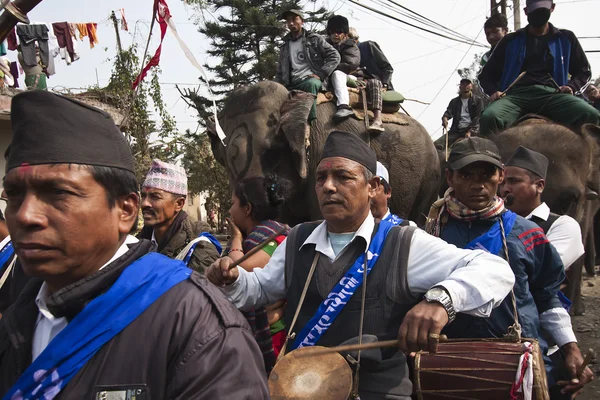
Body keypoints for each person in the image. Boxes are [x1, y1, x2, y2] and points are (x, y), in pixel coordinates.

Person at [0, 90, 269, 399]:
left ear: (124, 211)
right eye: (15, 195)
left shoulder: (197, 326)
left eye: (58, 193)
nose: (25, 215)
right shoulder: (20, 314)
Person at [206, 130, 515, 399]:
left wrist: (441, 300)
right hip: (302, 389)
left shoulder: (403, 243)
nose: (328, 186)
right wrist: (232, 281)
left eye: (343, 177)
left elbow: (495, 270)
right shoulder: (298, 238)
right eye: (321, 178)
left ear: (372, 186)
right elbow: (259, 289)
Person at [425, 137, 593, 399]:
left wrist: (570, 348)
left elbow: (547, 297)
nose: (478, 184)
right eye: (466, 175)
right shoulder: (431, 233)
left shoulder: (527, 234)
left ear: (500, 175)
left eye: (487, 174)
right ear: (449, 177)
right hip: (449, 362)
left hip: (517, 364)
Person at [478, 0, 600, 136]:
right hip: (516, 96)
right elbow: (485, 76)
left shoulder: (566, 38)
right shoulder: (510, 40)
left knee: (591, 115)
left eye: (542, 10)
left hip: (553, 94)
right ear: (526, 12)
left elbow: (584, 71)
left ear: (552, 8)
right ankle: (487, 156)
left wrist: (572, 87)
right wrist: (493, 92)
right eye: (534, 11)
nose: (538, 14)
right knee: (489, 117)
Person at [224, 173, 291, 373]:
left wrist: (236, 237)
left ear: (247, 209)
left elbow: (234, 272)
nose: (229, 209)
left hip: (272, 341)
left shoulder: (276, 241)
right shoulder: (257, 239)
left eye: (233, 203)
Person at [501, 146, 584, 271]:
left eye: (514, 181)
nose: (505, 189)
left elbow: (544, 271)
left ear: (539, 186)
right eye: (502, 183)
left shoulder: (562, 225)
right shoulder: (495, 222)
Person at [138, 160, 220, 274]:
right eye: (143, 196)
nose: (144, 203)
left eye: (155, 197)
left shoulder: (199, 251)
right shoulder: (138, 243)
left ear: (179, 204)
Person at [276, 9, 341, 122]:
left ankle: (308, 123)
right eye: (288, 21)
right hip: (290, 84)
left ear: (302, 21)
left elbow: (335, 56)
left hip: (309, 81)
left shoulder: (315, 39)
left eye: (294, 19)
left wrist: (321, 74)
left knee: (311, 84)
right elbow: (280, 72)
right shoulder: (284, 47)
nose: (291, 23)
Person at [348, 27, 394, 132]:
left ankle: (378, 120)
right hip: (358, 82)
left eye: (348, 40)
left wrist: (385, 85)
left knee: (374, 83)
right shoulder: (346, 54)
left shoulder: (368, 46)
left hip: (376, 82)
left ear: (354, 40)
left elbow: (388, 68)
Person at [326, 15, 359, 121]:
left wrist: (329, 67)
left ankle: (343, 106)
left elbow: (351, 64)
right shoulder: (323, 44)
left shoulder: (350, 45)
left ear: (345, 34)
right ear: (329, 32)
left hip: (349, 75)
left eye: (339, 32)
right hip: (327, 74)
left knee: (338, 74)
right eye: (333, 31)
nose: (336, 34)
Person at [438, 79, 485, 148]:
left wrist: (470, 131)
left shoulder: (477, 100)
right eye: (463, 84)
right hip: (456, 131)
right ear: (460, 87)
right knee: (437, 145)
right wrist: (445, 118)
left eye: (467, 84)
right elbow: (448, 113)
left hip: (472, 131)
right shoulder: (454, 101)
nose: (465, 86)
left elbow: (478, 117)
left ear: (471, 86)